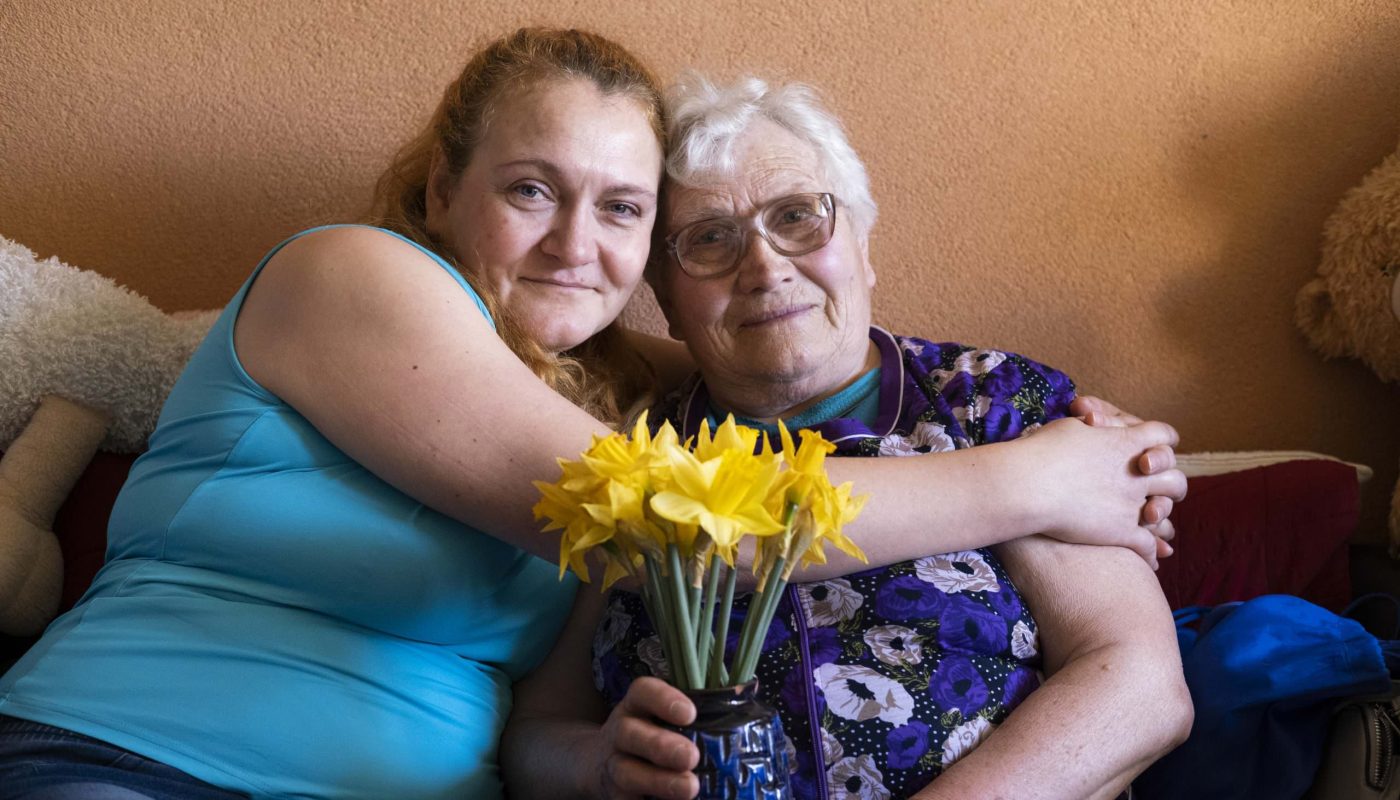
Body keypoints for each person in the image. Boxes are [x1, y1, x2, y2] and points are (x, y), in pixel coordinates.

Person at [0, 28, 1179, 800]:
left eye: (622, 209)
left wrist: (1079, 438)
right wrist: (1054, 473)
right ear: (436, 191)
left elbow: (762, 331)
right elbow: (699, 523)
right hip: (133, 761)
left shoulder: (625, 400)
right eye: (530, 190)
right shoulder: (351, 278)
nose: (577, 243)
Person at [501, 74, 1193, 800]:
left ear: (863, 247)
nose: (765, 266)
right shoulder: (642, 452)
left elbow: (1139, 689)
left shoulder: (988, 404)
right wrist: (598, 763)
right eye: (710, 240)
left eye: (798, 216)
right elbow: (538, 732)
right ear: (668, 304)